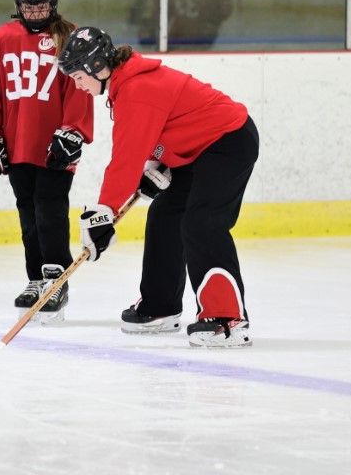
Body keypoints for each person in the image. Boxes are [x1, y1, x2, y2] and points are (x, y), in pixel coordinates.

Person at [57, 27, 259, 348]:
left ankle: (227, 320)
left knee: (202, 223)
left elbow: (126, 157)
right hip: (196, 148)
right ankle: (160, 307)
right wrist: (157, 163)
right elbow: (162, 129)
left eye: (78, 75)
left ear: (97, 66)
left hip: (227, 143)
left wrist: (103, 211)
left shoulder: (136, 89)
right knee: (165, 214)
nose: (76, 84)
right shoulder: (124, 85)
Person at [0, 0, 94, 322]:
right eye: (27, 8)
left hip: (55, 144)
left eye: (40, 7)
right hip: (17, 143)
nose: (34, 14)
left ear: (52, 4)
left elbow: (80, 88)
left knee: (50, 208)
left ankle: (56, 278)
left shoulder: (69, 36)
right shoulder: (2, 37)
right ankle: (35, 278)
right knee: (27, 211)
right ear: (18, 5)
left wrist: (73, 131)